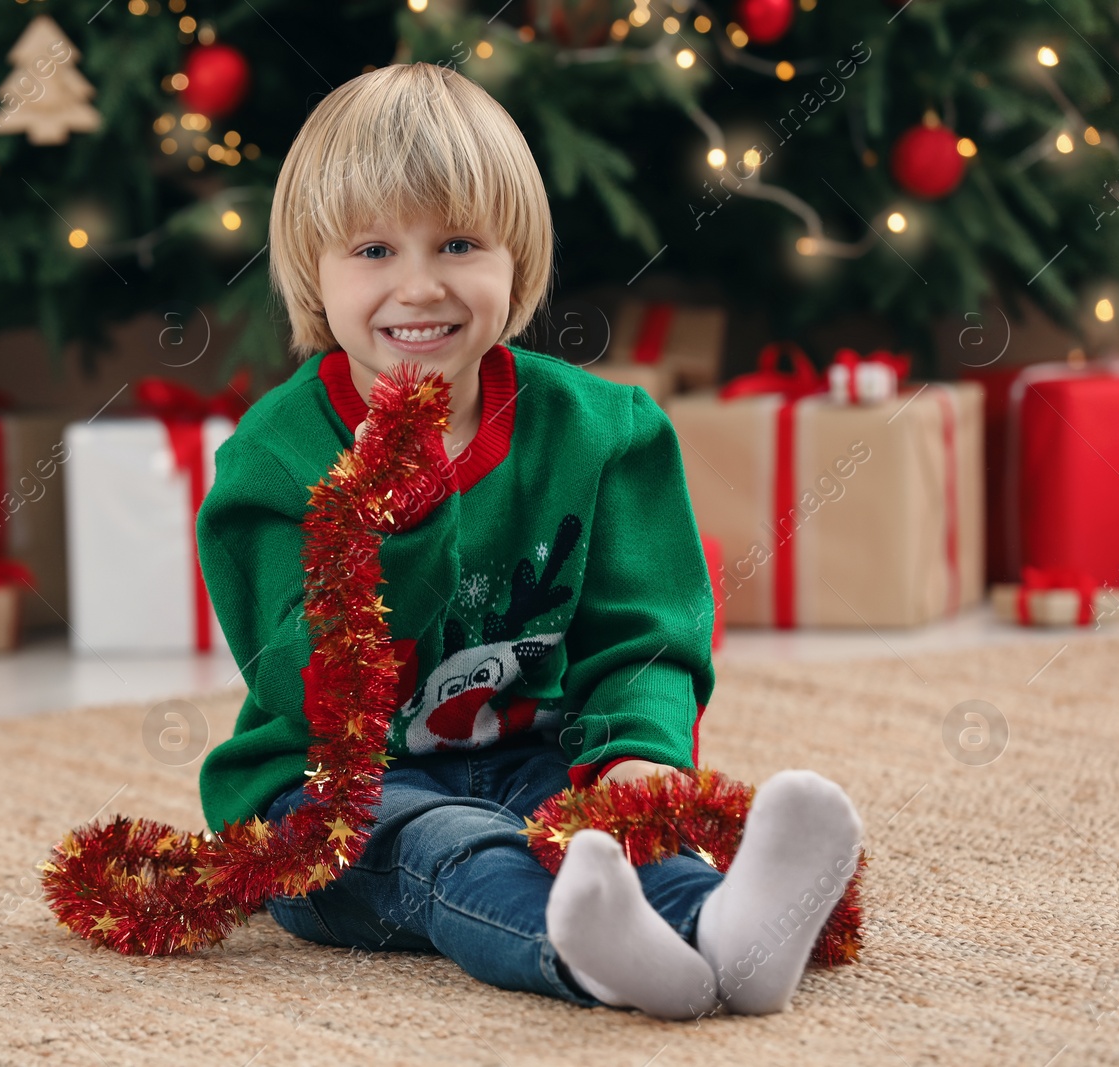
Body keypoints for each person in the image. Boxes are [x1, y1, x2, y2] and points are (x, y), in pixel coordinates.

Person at [194, 61, 862, 1020]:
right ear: (314, 273)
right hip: (330, 795)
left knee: (613, 832)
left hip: (532, 753)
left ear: (517, 259)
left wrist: (638, 761)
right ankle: (582, 952)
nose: (418, 288)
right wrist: (404, 502)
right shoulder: (272, 458)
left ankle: (729, 929)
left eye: (458, 242)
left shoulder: (605, 429)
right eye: (372, 250)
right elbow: (308, 681)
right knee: (443, 846)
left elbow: (645, 632)